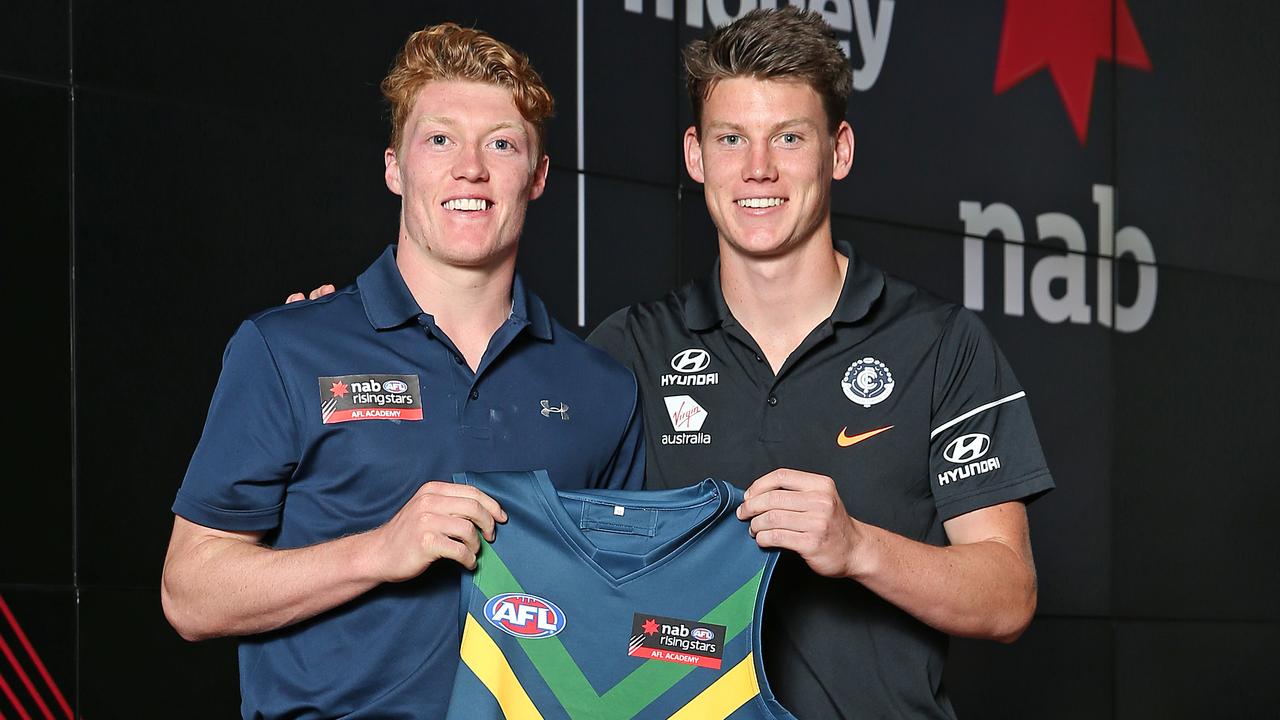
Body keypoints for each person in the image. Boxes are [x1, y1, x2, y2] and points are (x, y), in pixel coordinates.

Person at [161, 23, 644, 719]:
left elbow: (620, 619)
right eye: (439, 139)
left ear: (537, 177)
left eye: (501, 144)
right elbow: (189, 594)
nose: (470, 169)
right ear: (395, 166)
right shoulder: (287, 351)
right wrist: (378, 551)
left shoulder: (600, 388)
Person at [587, 8, 1053, 718]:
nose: (758, 170)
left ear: (838, 151)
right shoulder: (630, 347)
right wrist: (348, 332)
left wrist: (856, 545)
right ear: (695, 154)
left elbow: (1009, 595)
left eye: (789, 138)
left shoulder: (939, 342)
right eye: (731, 139)